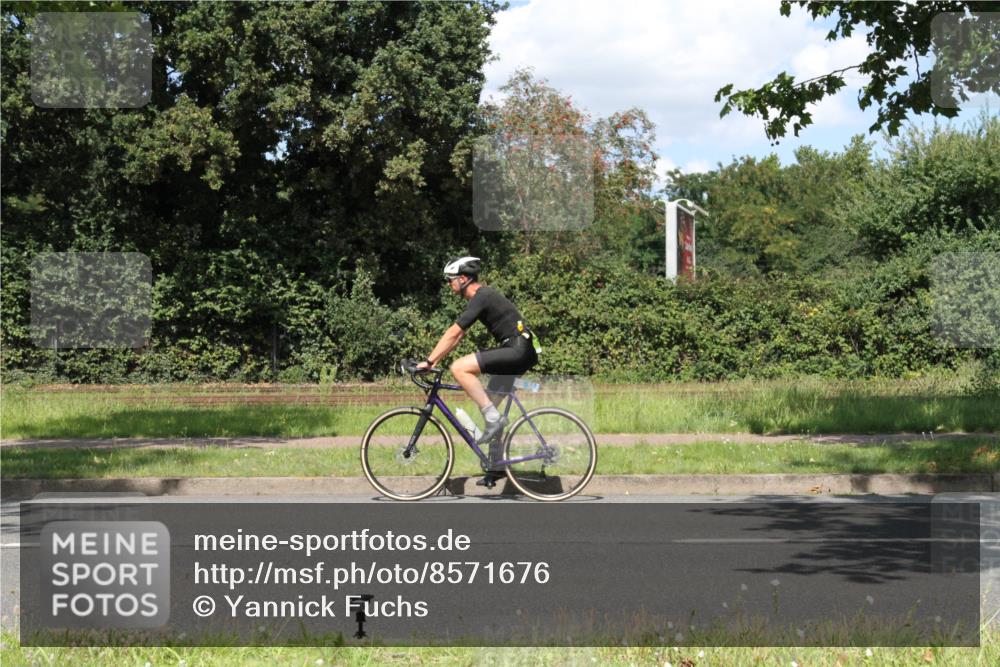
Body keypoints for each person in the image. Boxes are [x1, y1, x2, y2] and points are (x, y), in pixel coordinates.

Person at [416, 256, 539, 485]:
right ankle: (496, 467)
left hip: (517, 349)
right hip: (520, 350)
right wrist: (433, 360)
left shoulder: (482, 295)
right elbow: (457, 337)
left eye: (450, 280)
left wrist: (429, 361)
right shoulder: (482, 297)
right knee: (491, 407)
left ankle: (493, 422)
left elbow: (454, 332)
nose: (448, 284)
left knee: (459, 367)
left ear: (464, 279)